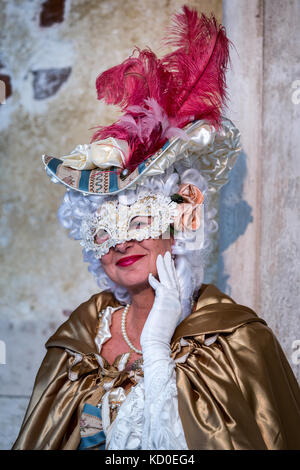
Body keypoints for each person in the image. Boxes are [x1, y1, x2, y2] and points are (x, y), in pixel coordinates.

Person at [13, 6, 300, 450]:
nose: (122, 241)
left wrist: (159, 348)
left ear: (180, 225)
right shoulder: (79, 339)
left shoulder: (239, 339)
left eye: (140, 221)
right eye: (104, 229)